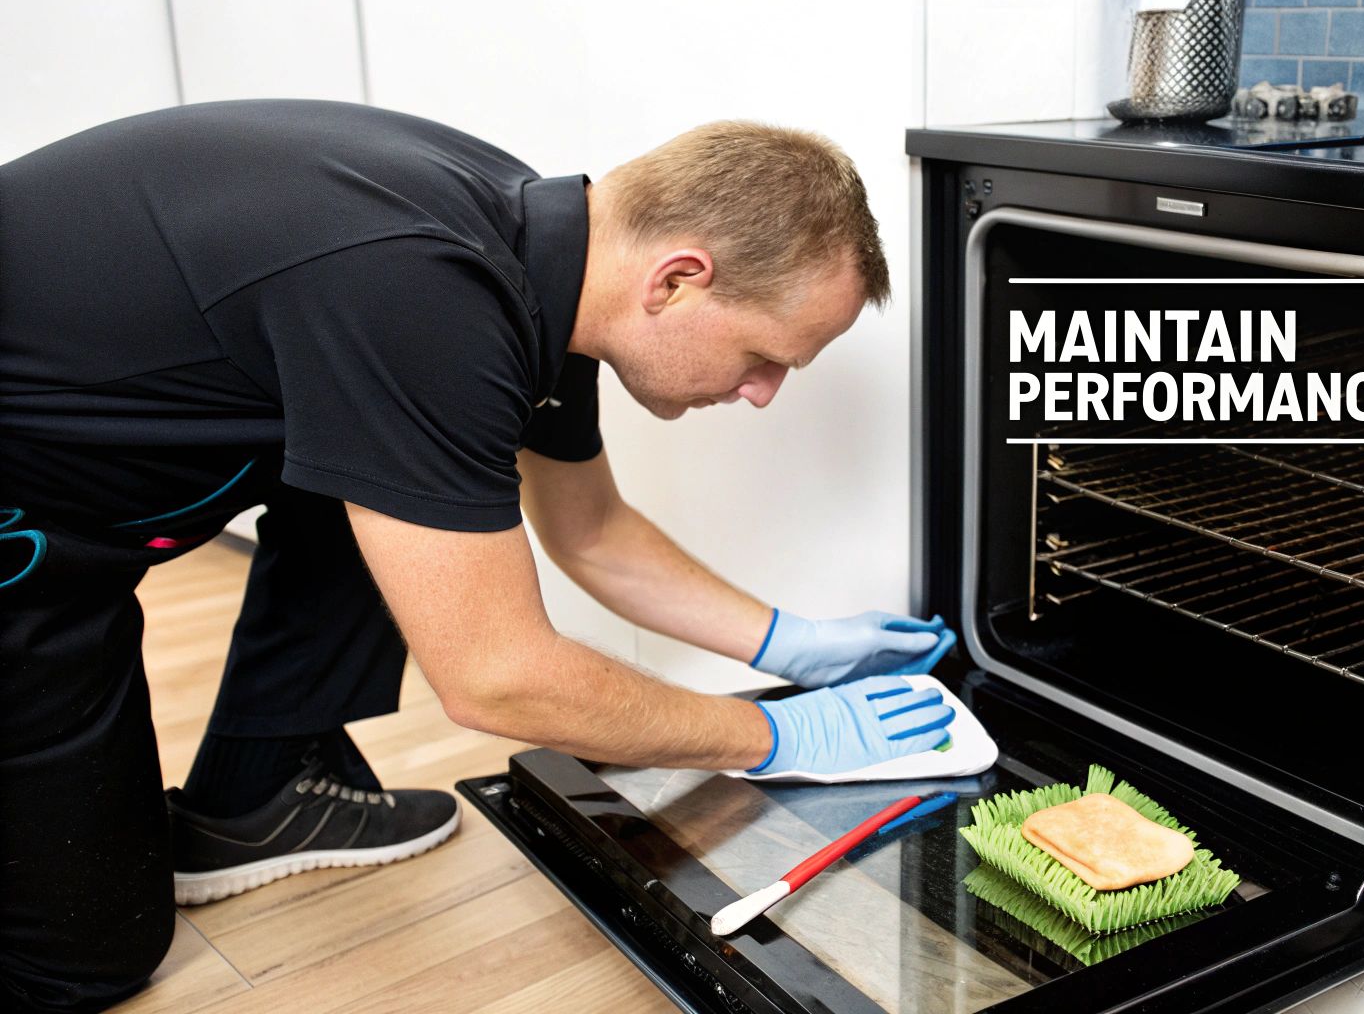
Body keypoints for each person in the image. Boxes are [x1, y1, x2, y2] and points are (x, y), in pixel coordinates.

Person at [0, 100, 956, 1012]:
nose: (763, 394)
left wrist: (792, 644)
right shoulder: (424, 296)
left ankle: (261, 795)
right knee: (82, 963)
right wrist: (777, 738)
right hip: (25, 527)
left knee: (412, 496)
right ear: (678, 279)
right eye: (766, 357)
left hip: (83, 480)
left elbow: (591, 532)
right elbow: (497, 682)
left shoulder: (547, 263)